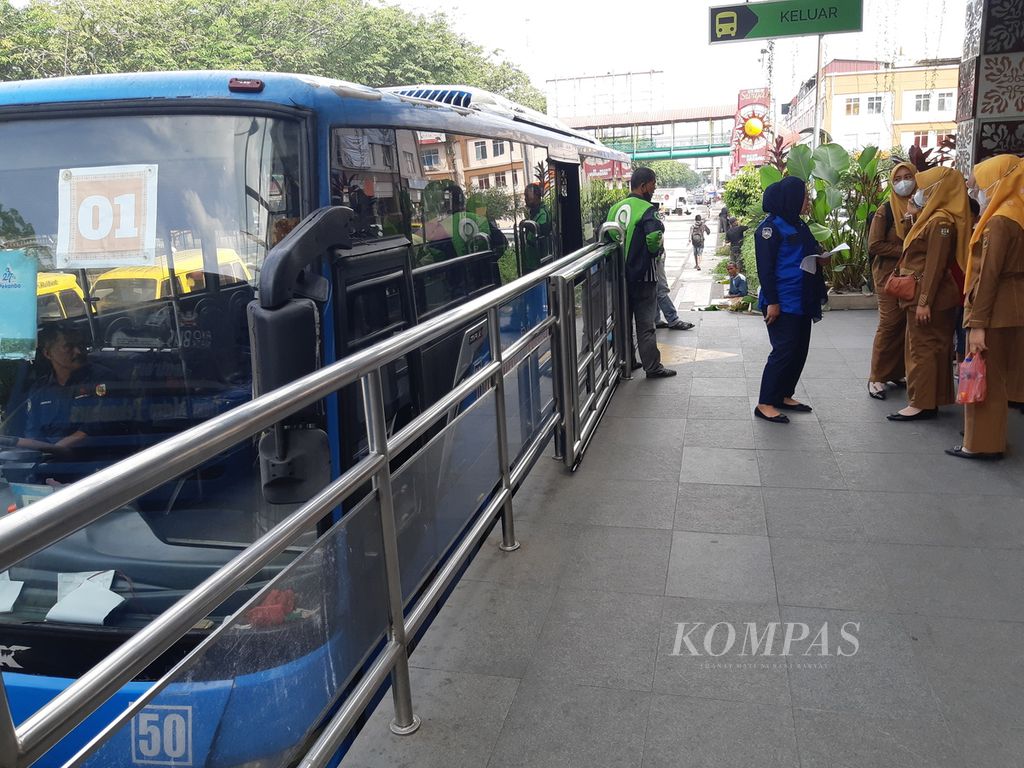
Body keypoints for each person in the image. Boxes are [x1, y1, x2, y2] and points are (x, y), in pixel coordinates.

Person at [946, 155, 1024, 459]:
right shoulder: (1018, 213)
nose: (977, 190)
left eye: (980, 184)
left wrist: (977, 324)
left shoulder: (1000, 221)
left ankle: (980, 444)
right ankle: (992, 437)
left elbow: (989, 276)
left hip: (995, 311)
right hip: (1013, 308)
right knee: (999, 378)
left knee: (984, 379)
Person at [887, 166, 969, 422]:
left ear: (936, 190)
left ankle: (920, 403)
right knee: (932, 348)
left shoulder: (940, 222)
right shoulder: (932, 218)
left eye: (922, 189)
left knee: (922, 348)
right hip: (927, 294)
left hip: (927, 295)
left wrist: (924, 302)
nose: (915, 193)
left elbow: (935, 266)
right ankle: (930, 400)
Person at [754, 176, 826, 424]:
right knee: (783, 351)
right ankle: (765, 402)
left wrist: (822, 257)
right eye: (804, 196)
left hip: (803, 297)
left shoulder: (798, 225)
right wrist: (772, 301)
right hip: (783, 300)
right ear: (791, 199)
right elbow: (765, 269)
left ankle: (784, 394)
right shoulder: (770, 228)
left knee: (799, 350)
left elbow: (808, 252)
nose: (807, 201)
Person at [0, 325, 116, 455]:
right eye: (68, 347)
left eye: (81, 345)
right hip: (45, 461)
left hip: (90, 462)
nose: (78, 351)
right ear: (48, 353)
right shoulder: (40, 389)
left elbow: (96, 427)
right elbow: (33, 431)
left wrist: (55, 450)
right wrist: (39, 455)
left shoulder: (102, 379)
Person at [606, 167, 676, 378]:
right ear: (644, 185)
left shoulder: (615, 208)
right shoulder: (647, 209)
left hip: (619, 276)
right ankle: (652, 367)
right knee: (645, 324)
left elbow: (607, 237)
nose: (654, 189)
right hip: (644, 277)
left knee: (623, 321)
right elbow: (654, 236)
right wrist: (654, 252)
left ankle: (627, 361)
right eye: (653, 185)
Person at [866, 162, 916, 399]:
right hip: (888, 277)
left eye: (908, 176)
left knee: (905, 325)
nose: (904, 182)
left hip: (912, 276)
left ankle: (895, 372)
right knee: (889, 324)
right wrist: (906, 249)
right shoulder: (885, 211)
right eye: (898, 179)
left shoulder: (921, 206)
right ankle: (876, 377)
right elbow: (874, 245)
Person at [522, 182, 552, 272]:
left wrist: (527, 225)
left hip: (539, 264)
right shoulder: (533, 212)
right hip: (531, 262)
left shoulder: (542, 212)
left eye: (528, 196)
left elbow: (543, 230)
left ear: (536, 196)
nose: (525, 199)